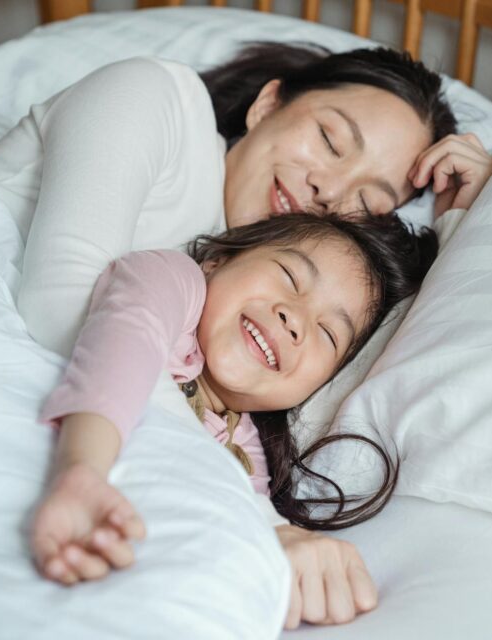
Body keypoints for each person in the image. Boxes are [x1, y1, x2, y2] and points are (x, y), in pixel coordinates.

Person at [0, 41, 492, 628]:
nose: (331, 191)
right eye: (330, 140)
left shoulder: (257, 289)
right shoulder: (156, 96)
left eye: (368, 203)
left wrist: (460, 225)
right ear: (268, 103)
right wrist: (266, 526)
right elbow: (62, 302)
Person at [29, 213, 438, 628]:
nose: (294, 320)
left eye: (328, 334)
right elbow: (127, 338)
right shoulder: (174, 281)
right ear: (218, 260)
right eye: (289, 277)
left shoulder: (251, 461)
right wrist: (81, 471)